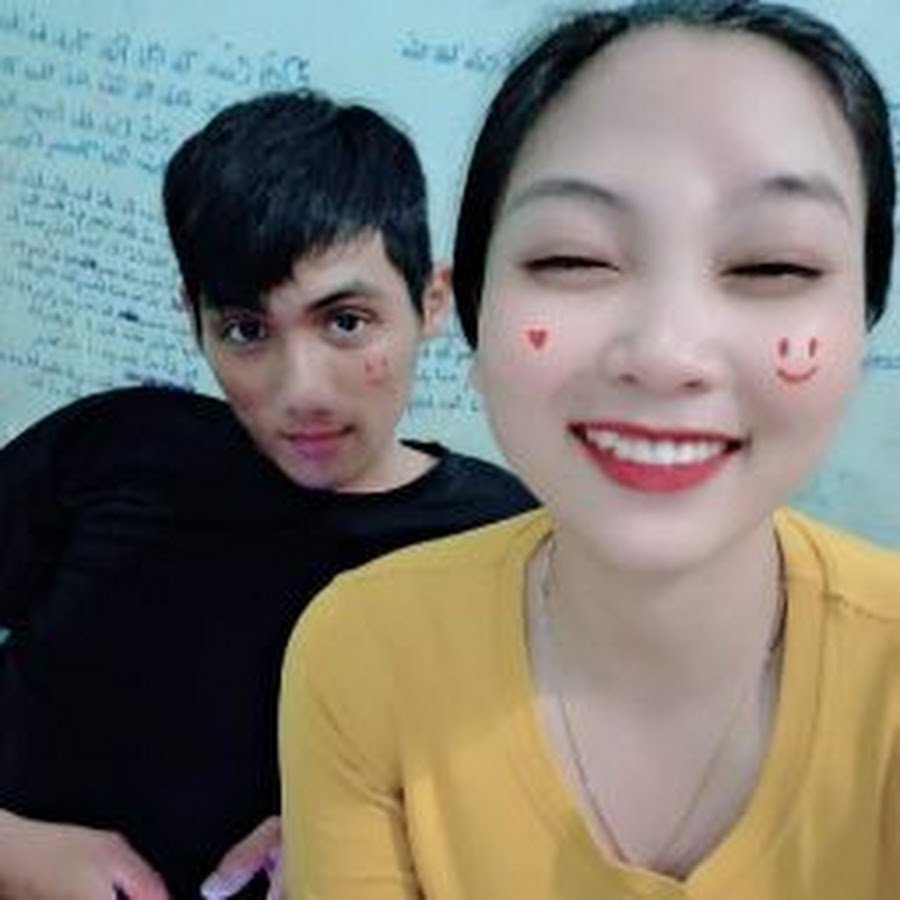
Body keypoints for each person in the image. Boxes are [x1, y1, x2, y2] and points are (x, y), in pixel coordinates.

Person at [279, 2, 900, 897]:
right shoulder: (363, 655)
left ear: (860, 323)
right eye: (574, 259)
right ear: (474, 311)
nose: (665, 353)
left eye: (774, 266)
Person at [0, 90, 535, 899]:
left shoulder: (504, 546)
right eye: (247, 331)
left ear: (431, 302)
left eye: (346, 322)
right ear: (196, 321)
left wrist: (370, 836)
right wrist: (17, 854)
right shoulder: (116, 451)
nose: (301, 391)